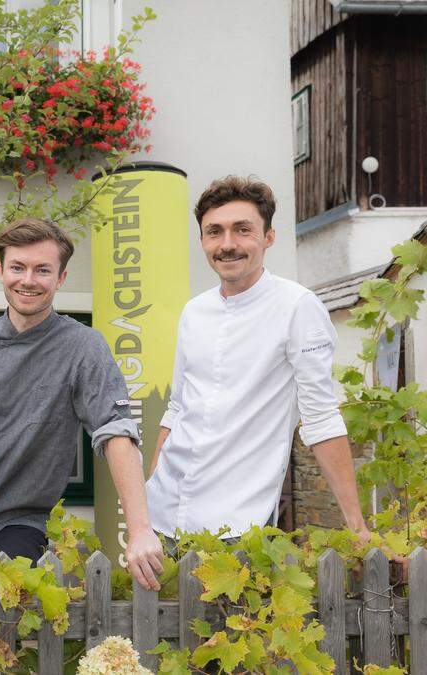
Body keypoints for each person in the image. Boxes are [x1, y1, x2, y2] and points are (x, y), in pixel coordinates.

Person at [0, 218, 165, 590]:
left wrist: (140, 528)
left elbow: (116, 431)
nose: (28, 280)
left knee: (2, 627)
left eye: (42, 270)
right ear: (1, 271)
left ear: (61, 278)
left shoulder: (83, 348)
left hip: (20, 522)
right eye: (17, 267)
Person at [146, 175, 369, 543]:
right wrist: (149, 489)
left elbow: (322, 420)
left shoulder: (297, 308)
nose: (227, 244)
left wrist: (356, 526)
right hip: (162, 513)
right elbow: (177, 409)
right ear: (202, 240)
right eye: (214, 232)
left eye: (242, 230)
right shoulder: (194, 311)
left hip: (235, 522)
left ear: (268, 237)